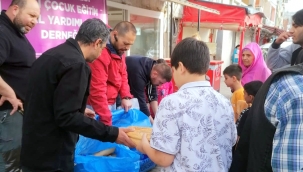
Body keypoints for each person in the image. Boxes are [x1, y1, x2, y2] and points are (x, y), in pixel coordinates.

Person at [20, 18, 135, 172]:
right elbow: (67, 117)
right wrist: (112, 133)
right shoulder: (77, 65)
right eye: (102, 48)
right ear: (97, 42)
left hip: (32, 148)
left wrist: (79, 110)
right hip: (53, 155)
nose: (101, 53)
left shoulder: (50, 55)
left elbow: (46, 99)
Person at [136, 38, 237, 171]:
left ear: (181, 67)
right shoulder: (224, 102)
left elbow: (163, 158)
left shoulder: (171, 103)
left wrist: (144, 145)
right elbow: (232, 140)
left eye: (173, 71)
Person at [236, 11, 303, 171]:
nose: (245, 58)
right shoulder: (241, 72)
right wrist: (276, 44)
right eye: (243, 55)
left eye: (248, 55)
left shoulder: (287, 84)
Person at [0, 0, 40, 171]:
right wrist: (9, 92)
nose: (34, 22)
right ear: (15, 9)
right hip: (8, 113)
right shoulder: (2, 32)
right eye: (31, 16)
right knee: (10, 165)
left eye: (37, 18)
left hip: (19, 112)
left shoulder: (16, 32)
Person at [87, 21, 136, 126]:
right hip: (95, 105)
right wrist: (106, 120)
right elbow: (97, 88)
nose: (127, 48)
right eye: (125, 43)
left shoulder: (120, 50)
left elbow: (123, 74)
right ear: (114, 35)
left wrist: (125, 96)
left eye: (130, 45)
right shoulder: (100, 52)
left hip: (111, 101)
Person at [229, 81, 263, 172]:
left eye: (244, 93)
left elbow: (238, 135)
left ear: (251, 97)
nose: (243, 95)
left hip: (244, 151)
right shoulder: (265, 112)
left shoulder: (247, 112)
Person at [126, 56, 172, 123]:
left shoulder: (153, 68)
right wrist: (153, 124)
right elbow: (140, 101)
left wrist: (158, 118)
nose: (160, 86)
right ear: (154, 74)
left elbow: (153, 95)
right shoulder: (139, 73)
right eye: (160, 82)